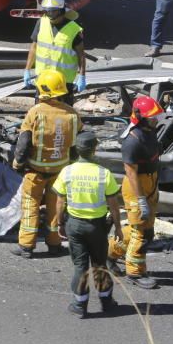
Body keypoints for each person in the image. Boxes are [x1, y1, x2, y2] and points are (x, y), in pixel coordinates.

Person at [53, 131, 124, 318]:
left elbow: (60, 202)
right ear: (94, 150)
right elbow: (114, 206)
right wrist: (118, 227)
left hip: (74, 226)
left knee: (79, 266)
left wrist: (60, 223)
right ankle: (106, 302)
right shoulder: (104, 174)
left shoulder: (66, 172)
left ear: (77, 149)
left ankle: (80, 304)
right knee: (100, 264)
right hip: (98, 228)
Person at [11, 70, 81, 258]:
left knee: (30, 206)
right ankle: (55, 243)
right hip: (59, 172)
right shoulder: (72, 114)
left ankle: (26, 246)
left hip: (35, 171)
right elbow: (76, 145)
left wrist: (18, 163)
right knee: (55, 208)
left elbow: (24, 143)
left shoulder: (35, 112)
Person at [106, 95, 165, 289]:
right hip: (136, 187)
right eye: (152, 117)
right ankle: (135, 273)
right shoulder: (132, 141)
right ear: (140, 117)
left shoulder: (150, 131)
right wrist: (141, 200)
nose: (156, 119)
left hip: (150, 183)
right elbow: (131, 173)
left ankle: (109, 252)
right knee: (140, 232)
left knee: (146, 232)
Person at [24, 0, 86, 98]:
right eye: (48, 12)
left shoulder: (73, 29)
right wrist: (27, 69)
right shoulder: (41, 22)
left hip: (63, 83)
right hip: (43, 79)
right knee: (41, 112)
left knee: (62, 113)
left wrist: (82, 76)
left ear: (62, 10)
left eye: (53, 12)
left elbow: (81, 55)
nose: (50, 15)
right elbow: (34, 47)